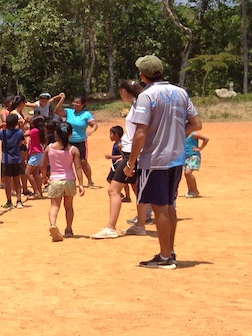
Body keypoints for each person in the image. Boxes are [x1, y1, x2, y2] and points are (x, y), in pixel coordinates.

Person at [123, 55, 202, 269]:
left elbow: (140, 132)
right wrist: (176, 135)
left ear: (142, 75)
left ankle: (165, 257)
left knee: (159, 208)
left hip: (154, 159)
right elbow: (196, 123)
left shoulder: (146, 96)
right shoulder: (180, 92)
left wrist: (131, 163)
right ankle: (169, 251)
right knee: (169, 206)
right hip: (176, 158)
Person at [92, 81, 144, 240]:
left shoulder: (137, 107)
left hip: (131, 153)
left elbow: (139, 133)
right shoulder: (140, 104)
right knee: (138, 190)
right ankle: (140, 225)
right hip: (139, 153)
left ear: (123, 91)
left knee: (113, 190)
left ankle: (110, 227)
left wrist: (130, 161)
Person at [42, 122, 85, 241]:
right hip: (69, 180)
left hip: (55, 180)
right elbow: (78, 167)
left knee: (54, 206)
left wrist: (44, 177)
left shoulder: (49, 148)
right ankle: (69, 229)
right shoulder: (73, 149)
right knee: (69, 206)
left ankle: (53, 225)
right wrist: (81, 184)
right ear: (70, 134)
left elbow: (44, 165)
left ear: (56, 133)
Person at [53, 93, 98, 187]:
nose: (74, 104)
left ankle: (90, 181)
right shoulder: (69, 112)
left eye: (77, 102)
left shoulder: (86, 114)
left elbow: (94, 124)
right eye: (74, 102)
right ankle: (66, 178)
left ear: (83, 104)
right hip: (68, 141)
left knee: (83, 162)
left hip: (80, 141)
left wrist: (92, 130)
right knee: (66, 160)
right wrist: (62, 99)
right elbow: (57, 111)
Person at [0, 113, 25, 209]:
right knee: (17, 180)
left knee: (7, 181)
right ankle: (19, 200)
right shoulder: (19, 132)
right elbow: (21, 142)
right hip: (16, 159)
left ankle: (9, 201)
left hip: (6, 160)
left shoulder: (3, 133)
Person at [184, 130, 210, 197]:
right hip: (186, 157)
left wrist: (200, 148)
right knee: (186, 174)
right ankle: (190, 191)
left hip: (193, 155)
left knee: (188, 173)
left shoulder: (193, 134)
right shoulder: (182, 135)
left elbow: (206, 139)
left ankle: (195, 191)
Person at [25, 116, 46, 198]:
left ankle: (36, 192)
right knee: (35, 174)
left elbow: (24, 134)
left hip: (36, 155)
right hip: (38, 154)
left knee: (27, 173)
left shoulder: (34, 131)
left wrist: (23, 124)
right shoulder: (38, 130)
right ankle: (39, 192)